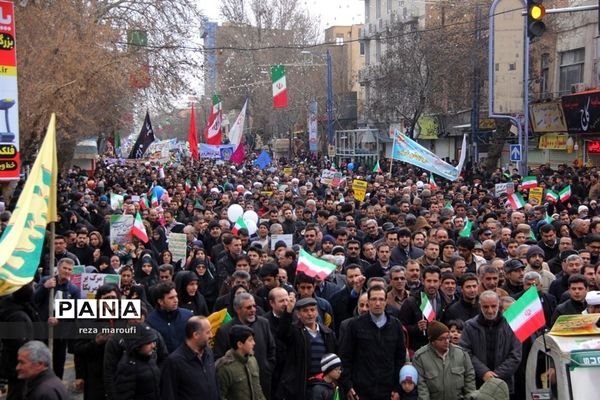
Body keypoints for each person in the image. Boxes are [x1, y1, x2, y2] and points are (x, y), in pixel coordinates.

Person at [340, 285, 406, 400]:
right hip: (361, 390)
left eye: (381, 299)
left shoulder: (395, 325)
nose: (377, 303)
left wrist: (397, 388)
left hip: (387, 390)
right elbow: (345, 356)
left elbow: (400, 359)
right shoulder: (355, 325)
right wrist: (348, 385)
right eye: (374, 299)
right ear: (368, 301)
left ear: (386, 301)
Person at [213, 292, 276, 399]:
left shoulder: (263, 323)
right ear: (237, 309)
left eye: (254, 306)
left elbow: (272, 349)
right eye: (248, 307)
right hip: (237, 388)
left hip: (262, 382)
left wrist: (267, 368)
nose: (253, 310)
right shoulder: (225, 331)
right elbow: (218, 357)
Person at [460, 291, 521, 396]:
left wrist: (495, 376)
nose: (490, 310)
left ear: (499, 305)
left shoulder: (511, 325)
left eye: (493, 306)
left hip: (503, 384)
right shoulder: (470, 326)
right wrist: (483, 372)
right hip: (478, 384)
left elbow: (516, 355)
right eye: (486, 307)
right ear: (480, 306)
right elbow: (465, 352)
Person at [276, 297, 337, 400]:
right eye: (305, 311)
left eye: (312, 310)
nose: (310, 314)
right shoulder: (295, 331)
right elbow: (282, 333)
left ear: (317, 312)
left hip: (323, 384)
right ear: (298, 315)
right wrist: (288, 312)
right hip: (301, 384)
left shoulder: (327, 333)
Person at [412, 320, 476, 400]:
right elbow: (421, 388)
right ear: (432, 341)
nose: (447, 341)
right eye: (441, 339)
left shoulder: (461, 354)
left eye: (448, 337)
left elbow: (469, 378)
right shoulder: (420, 357)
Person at [160, 316, 218, 400]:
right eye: (208, 332)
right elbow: (168, 394)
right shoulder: (175, 361)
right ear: (196, 335)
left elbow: (215, 384)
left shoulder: (208, 352)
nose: (211, 335)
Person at [216, 325, 266, 400]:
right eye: (250, 340)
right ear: (239, 344)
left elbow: (258, 389)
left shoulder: (252, 360)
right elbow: (221, 396)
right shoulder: (224, 368)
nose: (254, 343)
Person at [113, 324, 161, 400]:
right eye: (148, 343)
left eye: (153, 342)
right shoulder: (127, 367)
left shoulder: (150, 358)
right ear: (137, 344)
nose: (153, 346)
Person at [147, 281, 193, 353]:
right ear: (160, 301)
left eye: (176, 296)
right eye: (171, 298)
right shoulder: (150, 322)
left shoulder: (187, 316)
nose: (176, 300)